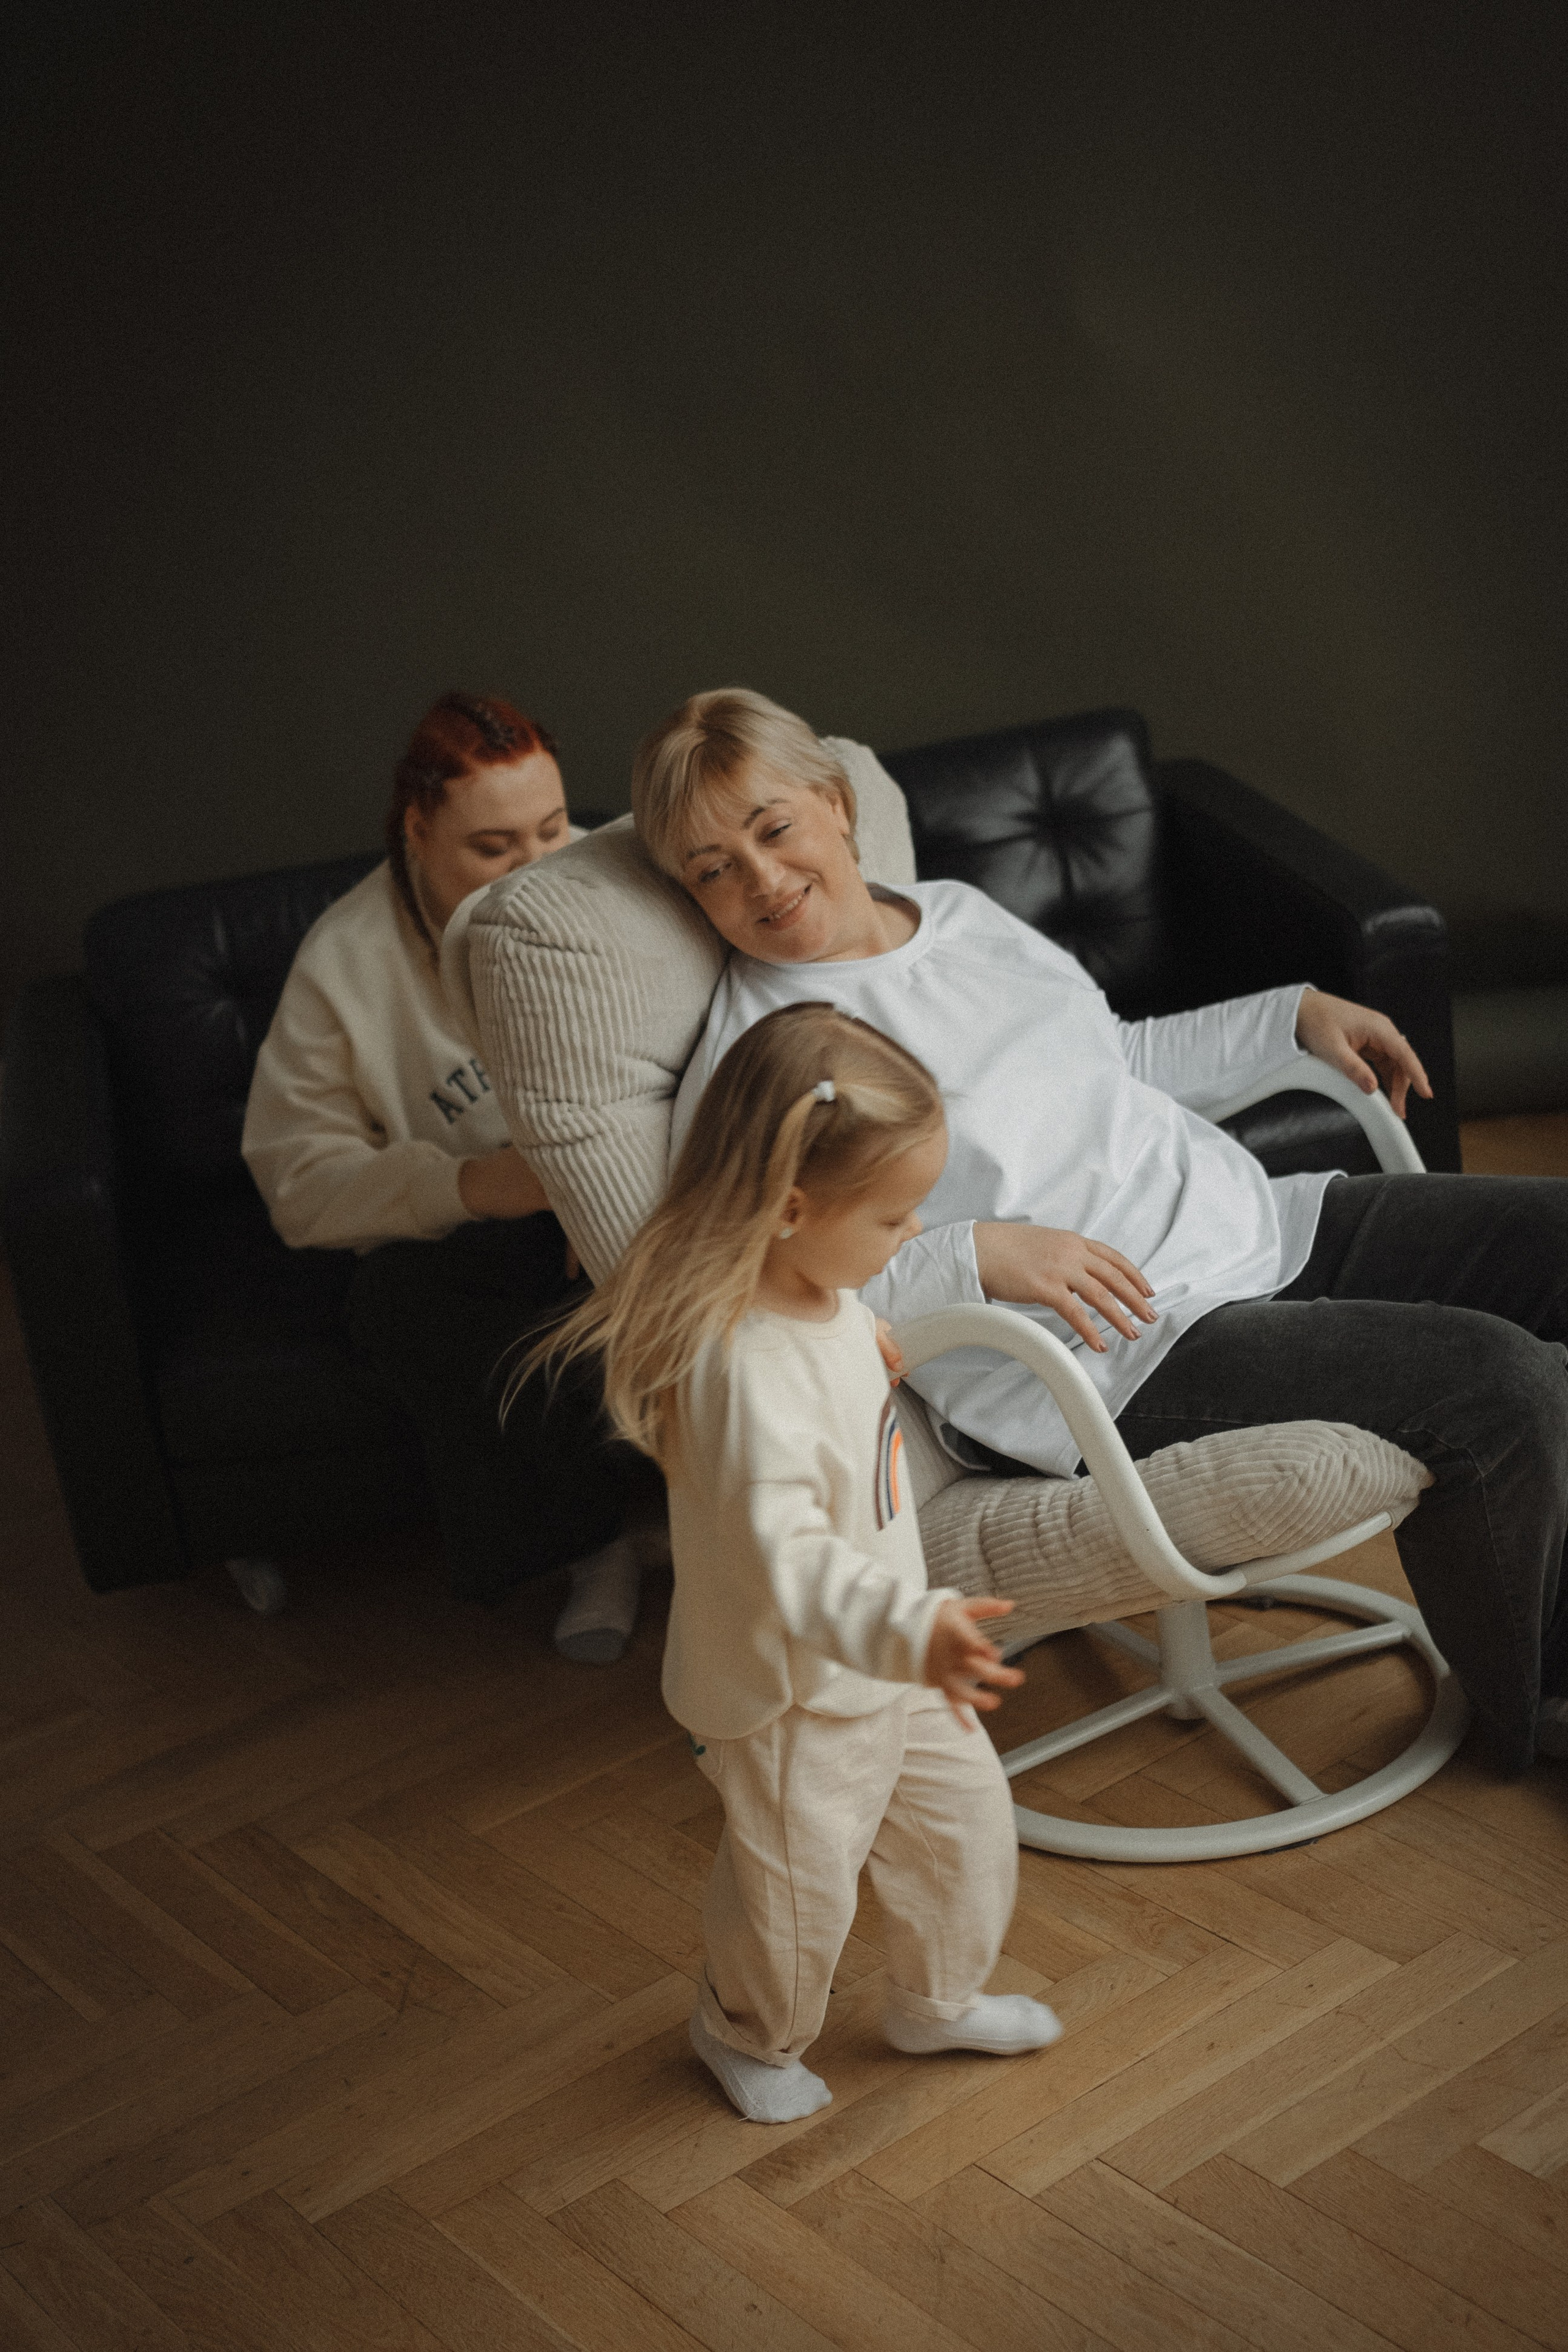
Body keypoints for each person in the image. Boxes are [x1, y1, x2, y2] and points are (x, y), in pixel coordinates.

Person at [631, 687, 1568, 1776]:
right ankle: (1543, 1706)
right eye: (712, 869)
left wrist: (1288, 1014)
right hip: (1114, 1354)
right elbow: (744, 1290)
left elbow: (1108, 1057)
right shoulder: (762, 1057)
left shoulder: (954, 914)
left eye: (774, 828)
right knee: (1497, 1383)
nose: (760, 879)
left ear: (836, 805)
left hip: (1256, 1225)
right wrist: (974, 1255)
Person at [527, 1000, 1062, 2122]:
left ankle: (935, 2000)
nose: (913, 1232)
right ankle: (744, 2034)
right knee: (795, 1901)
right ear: (787, 1209)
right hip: (793, 1698)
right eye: (894, 1217)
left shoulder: (822, 1292)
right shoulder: (744, 1376)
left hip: (892, 1658)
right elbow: (793, 1561)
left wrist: (864, 1333)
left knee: (965, 1835)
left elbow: (838, 1331)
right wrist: (910, 1630)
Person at [243, 689, 659, 1655]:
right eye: (493, 847)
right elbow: (298, 1182)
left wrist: (605, 1186)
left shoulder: (615, 881)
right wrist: (484, 1187)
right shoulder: (344, 962)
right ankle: (593, 1546)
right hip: (480, 1223)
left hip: (637, 1183)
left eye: (552, 830)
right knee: (401, 1306)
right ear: (418, 832)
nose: (536, 869)